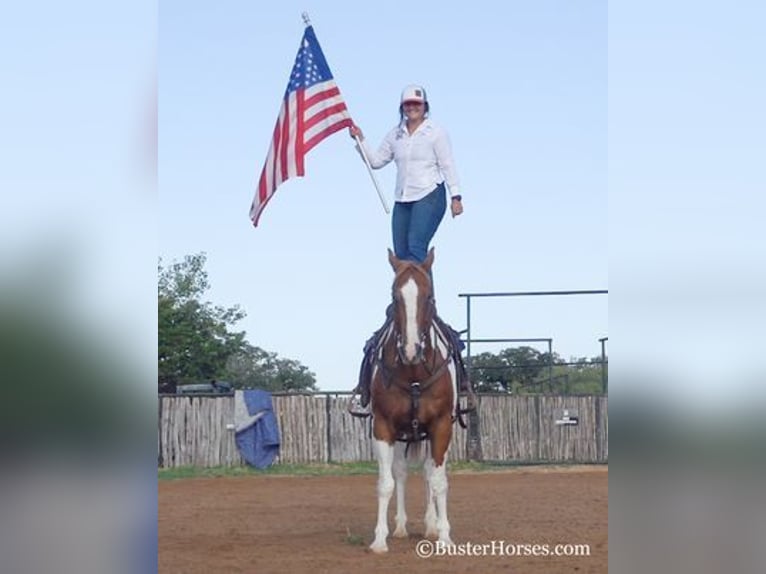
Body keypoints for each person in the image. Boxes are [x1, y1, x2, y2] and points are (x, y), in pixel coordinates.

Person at [348, 84, 475, 416]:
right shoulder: (396, 135)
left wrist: (457, 196)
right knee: (401, 260)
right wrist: (359, 139)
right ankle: (402, 310)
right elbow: (376, 162)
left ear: (425, 106)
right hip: (403, 199)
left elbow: (448, 165)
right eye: (407, 104)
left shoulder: (436, 133)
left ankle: (423, 312)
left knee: (417, 250)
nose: (411, 109)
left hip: (429, 195)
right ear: (402, 107)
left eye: (416, 104)